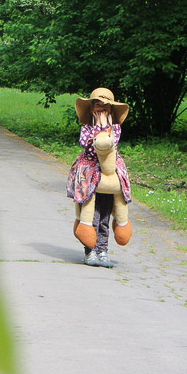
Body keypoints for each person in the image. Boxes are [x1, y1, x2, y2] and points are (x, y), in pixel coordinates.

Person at [66, 88, 132, 268]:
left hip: (109, 177)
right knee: (91, 214)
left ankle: (102, 250)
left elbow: (109, 144)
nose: (101, 109)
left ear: (111, 109)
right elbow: (89, 146)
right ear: (92, 108)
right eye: (97, 105)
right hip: (90, 174)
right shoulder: (86, 128)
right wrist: (98, 126)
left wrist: (105, 126)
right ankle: (90, 251)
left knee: (104, 215)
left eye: (105, 106)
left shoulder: (115, 128)